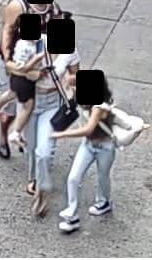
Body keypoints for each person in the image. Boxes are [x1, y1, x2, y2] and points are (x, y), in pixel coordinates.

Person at [0, 0, 64, 159]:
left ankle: (22, 136)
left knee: (31, 105)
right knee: (10, 108)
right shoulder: (18, 6)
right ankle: (2, 136)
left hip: (36, 64)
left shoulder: (52, 8)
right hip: (16, 60)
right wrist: (8, 62)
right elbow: (7, 31)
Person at [21, 35, 79, 216]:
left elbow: (76, 74)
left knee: (44, 151)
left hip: (52, 103)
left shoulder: (70, 49)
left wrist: (70, 81)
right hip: (29, 101)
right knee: (31, 146)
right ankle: (34, 178)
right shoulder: (31, 45)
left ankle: (41, 190)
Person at [53, 75, 118, 233]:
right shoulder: (84, 99)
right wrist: (69, 81)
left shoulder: (100, 107)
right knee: (73, 177)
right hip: (88, 145)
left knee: (103, 177)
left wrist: (61, 134)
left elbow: (88, 129)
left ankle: (103, 202)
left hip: (105, 147)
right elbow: (69, 82)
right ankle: (72, 215)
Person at [0, 34, 45, 148]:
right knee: (27, 106)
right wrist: (37, 58)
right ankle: (16, 133)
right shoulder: (28, 47)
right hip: (25, 80)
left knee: (11, 93)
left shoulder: (20, 42)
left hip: (15, 77)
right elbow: (25, 68)